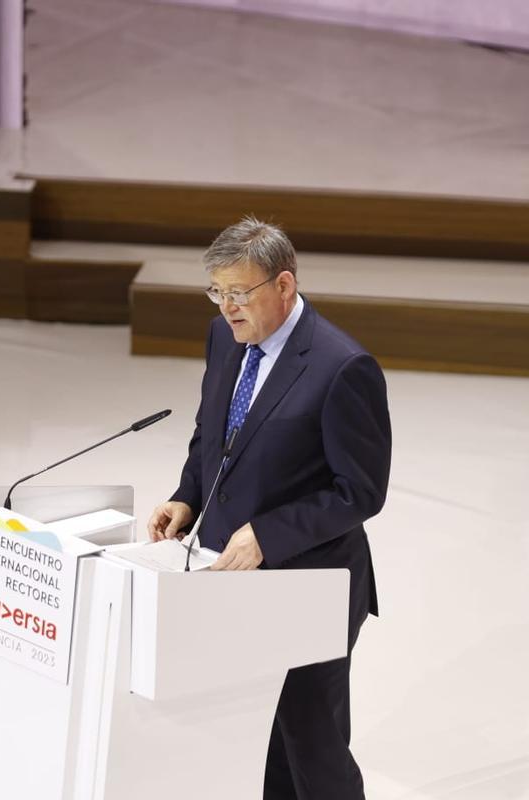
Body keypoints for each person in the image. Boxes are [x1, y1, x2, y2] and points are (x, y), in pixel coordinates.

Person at [147, 217, 391, 799]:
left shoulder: (342, 367)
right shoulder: (224, 338)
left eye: (239, 293)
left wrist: (269, 534)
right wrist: (188, 496)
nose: (227, 307)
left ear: (284, 286)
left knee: (312, 741)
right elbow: (216, 434)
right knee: (260, 739)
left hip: (314, 581)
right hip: (238, 576)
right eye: (218, 291)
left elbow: (361, 492)